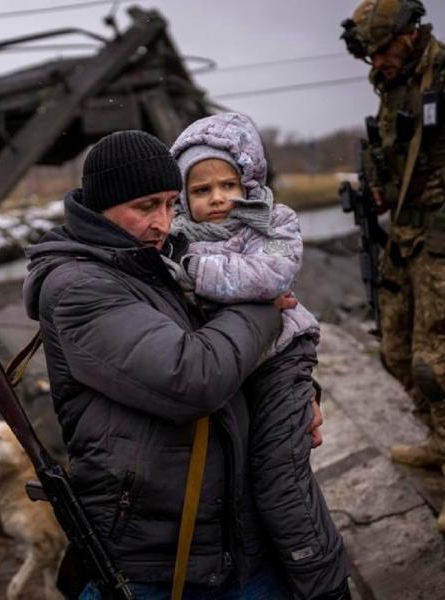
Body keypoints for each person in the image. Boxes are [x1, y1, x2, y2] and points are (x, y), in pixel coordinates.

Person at [23, 130, 304, 599]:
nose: (163, 221)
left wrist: (298, 395)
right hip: (157, 556)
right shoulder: (78, 286)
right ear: (102, 207)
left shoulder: (154, 259)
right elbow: (193, 376)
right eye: (147, 206)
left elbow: (232, 355)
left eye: (172, 204)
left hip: (224, 536)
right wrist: (264, 304)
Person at [167, 112, 349, 599]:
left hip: (282, 359)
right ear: (184, 196)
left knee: (279, 480)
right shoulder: (176, 236)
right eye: (202, 190)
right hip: (233, 366)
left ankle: (325, 584)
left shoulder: (275, 222)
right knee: (241, 484)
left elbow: (269, 278)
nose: (218, 198)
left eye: (229, 184)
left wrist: (192, 272)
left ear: (248, 179)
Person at [341, 0, 445, 534]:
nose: (375, 63)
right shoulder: (391, 87)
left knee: (438, 361)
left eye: (382, 50)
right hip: (407, 238)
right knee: (396, 350)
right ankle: (440, 438)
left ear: (410, 35)